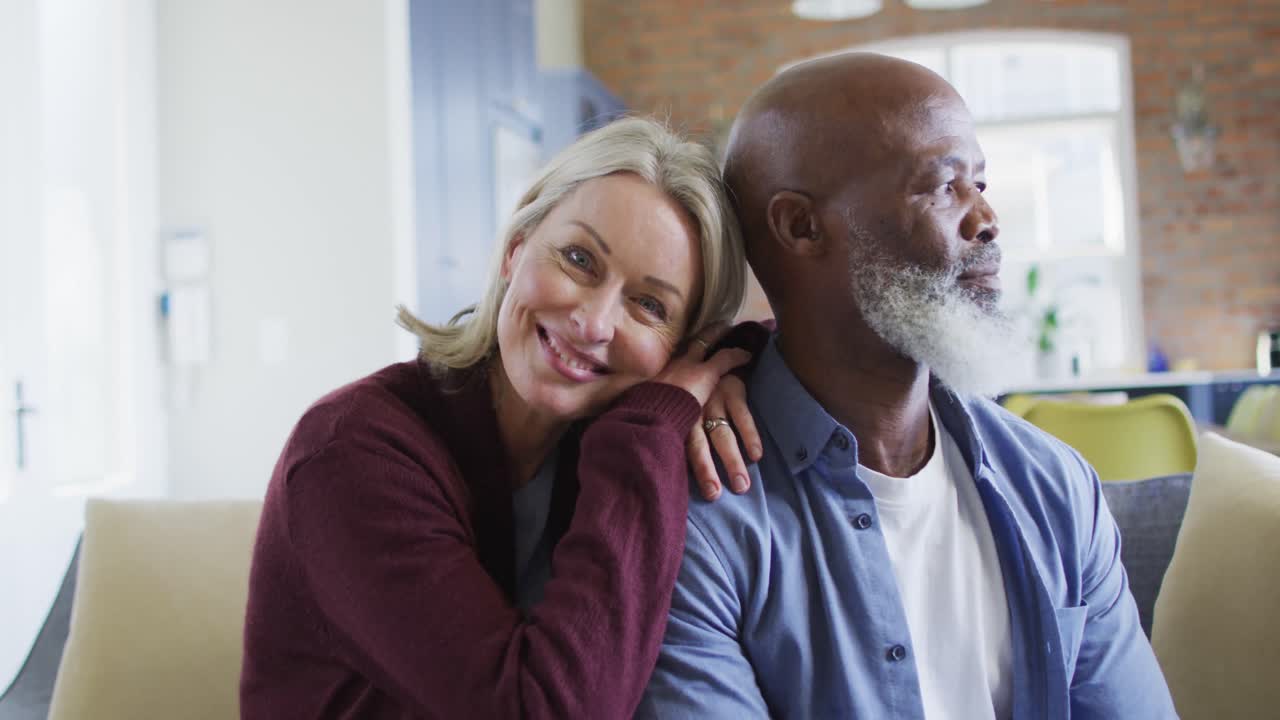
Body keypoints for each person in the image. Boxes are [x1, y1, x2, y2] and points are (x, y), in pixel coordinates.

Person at [639, 53, 1177, 719]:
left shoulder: (1056, 488)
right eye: (943, 186)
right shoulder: (698, 520)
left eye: (979, 182)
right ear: (801, 226)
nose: (986, 218)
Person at [240, 116, 754, 718]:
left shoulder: (589, 432)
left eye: (648, 304)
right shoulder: (351, 452)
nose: (593, 323)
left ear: (680, 348)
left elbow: (775, 347)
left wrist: (732, 372)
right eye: (578, 259)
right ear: (516, 247)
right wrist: (653, 427)